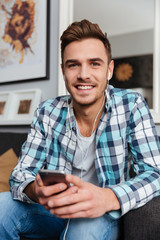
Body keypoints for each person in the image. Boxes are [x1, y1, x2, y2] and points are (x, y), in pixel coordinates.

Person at [0, 19, 160, 240]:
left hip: (101, 213)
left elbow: (155, 173)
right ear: (63, 71)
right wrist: (36, 190)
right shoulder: (47, 111)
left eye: (94, 63)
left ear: (109, 70)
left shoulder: (131, 105)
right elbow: (20, 176)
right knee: (1, 205)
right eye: (73, 64)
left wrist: (108, 197)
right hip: (53, 211)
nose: (84, 74)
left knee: (83, 229)